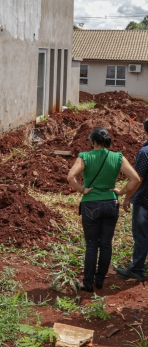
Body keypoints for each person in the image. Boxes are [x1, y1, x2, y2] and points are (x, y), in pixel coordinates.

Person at [67, 127, 140, 291]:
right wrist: (121, 192)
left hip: (90, 204)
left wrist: (82, 190)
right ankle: (100, 280)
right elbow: (135, 179)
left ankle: (87, 283)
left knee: (92, 244)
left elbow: (70, 177)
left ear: (93, 142)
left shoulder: (85, 156)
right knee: (106, 244)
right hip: (111, 204)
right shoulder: (117, 157)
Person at [116, 118, 148, 282]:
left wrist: (127, 197)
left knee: (141, 234)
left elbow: (137, 179)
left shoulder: (145, 153)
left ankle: (136, 270)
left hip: (145, 200)